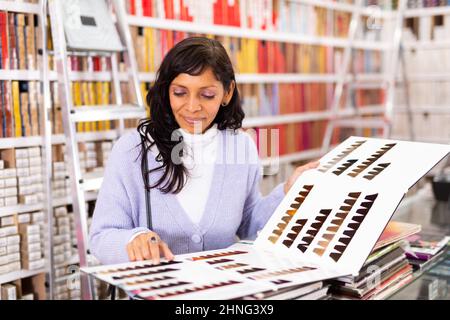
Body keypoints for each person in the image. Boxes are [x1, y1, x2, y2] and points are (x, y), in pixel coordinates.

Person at [89, 37, 319, 265]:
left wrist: (289, 193)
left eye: (207, 95)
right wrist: (133, 239)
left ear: (227, 93)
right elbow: (101, 236)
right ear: (166, 91)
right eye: (180, 93)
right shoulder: (132, 150)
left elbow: (250, 223)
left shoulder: (241, 146)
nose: (192, 106)